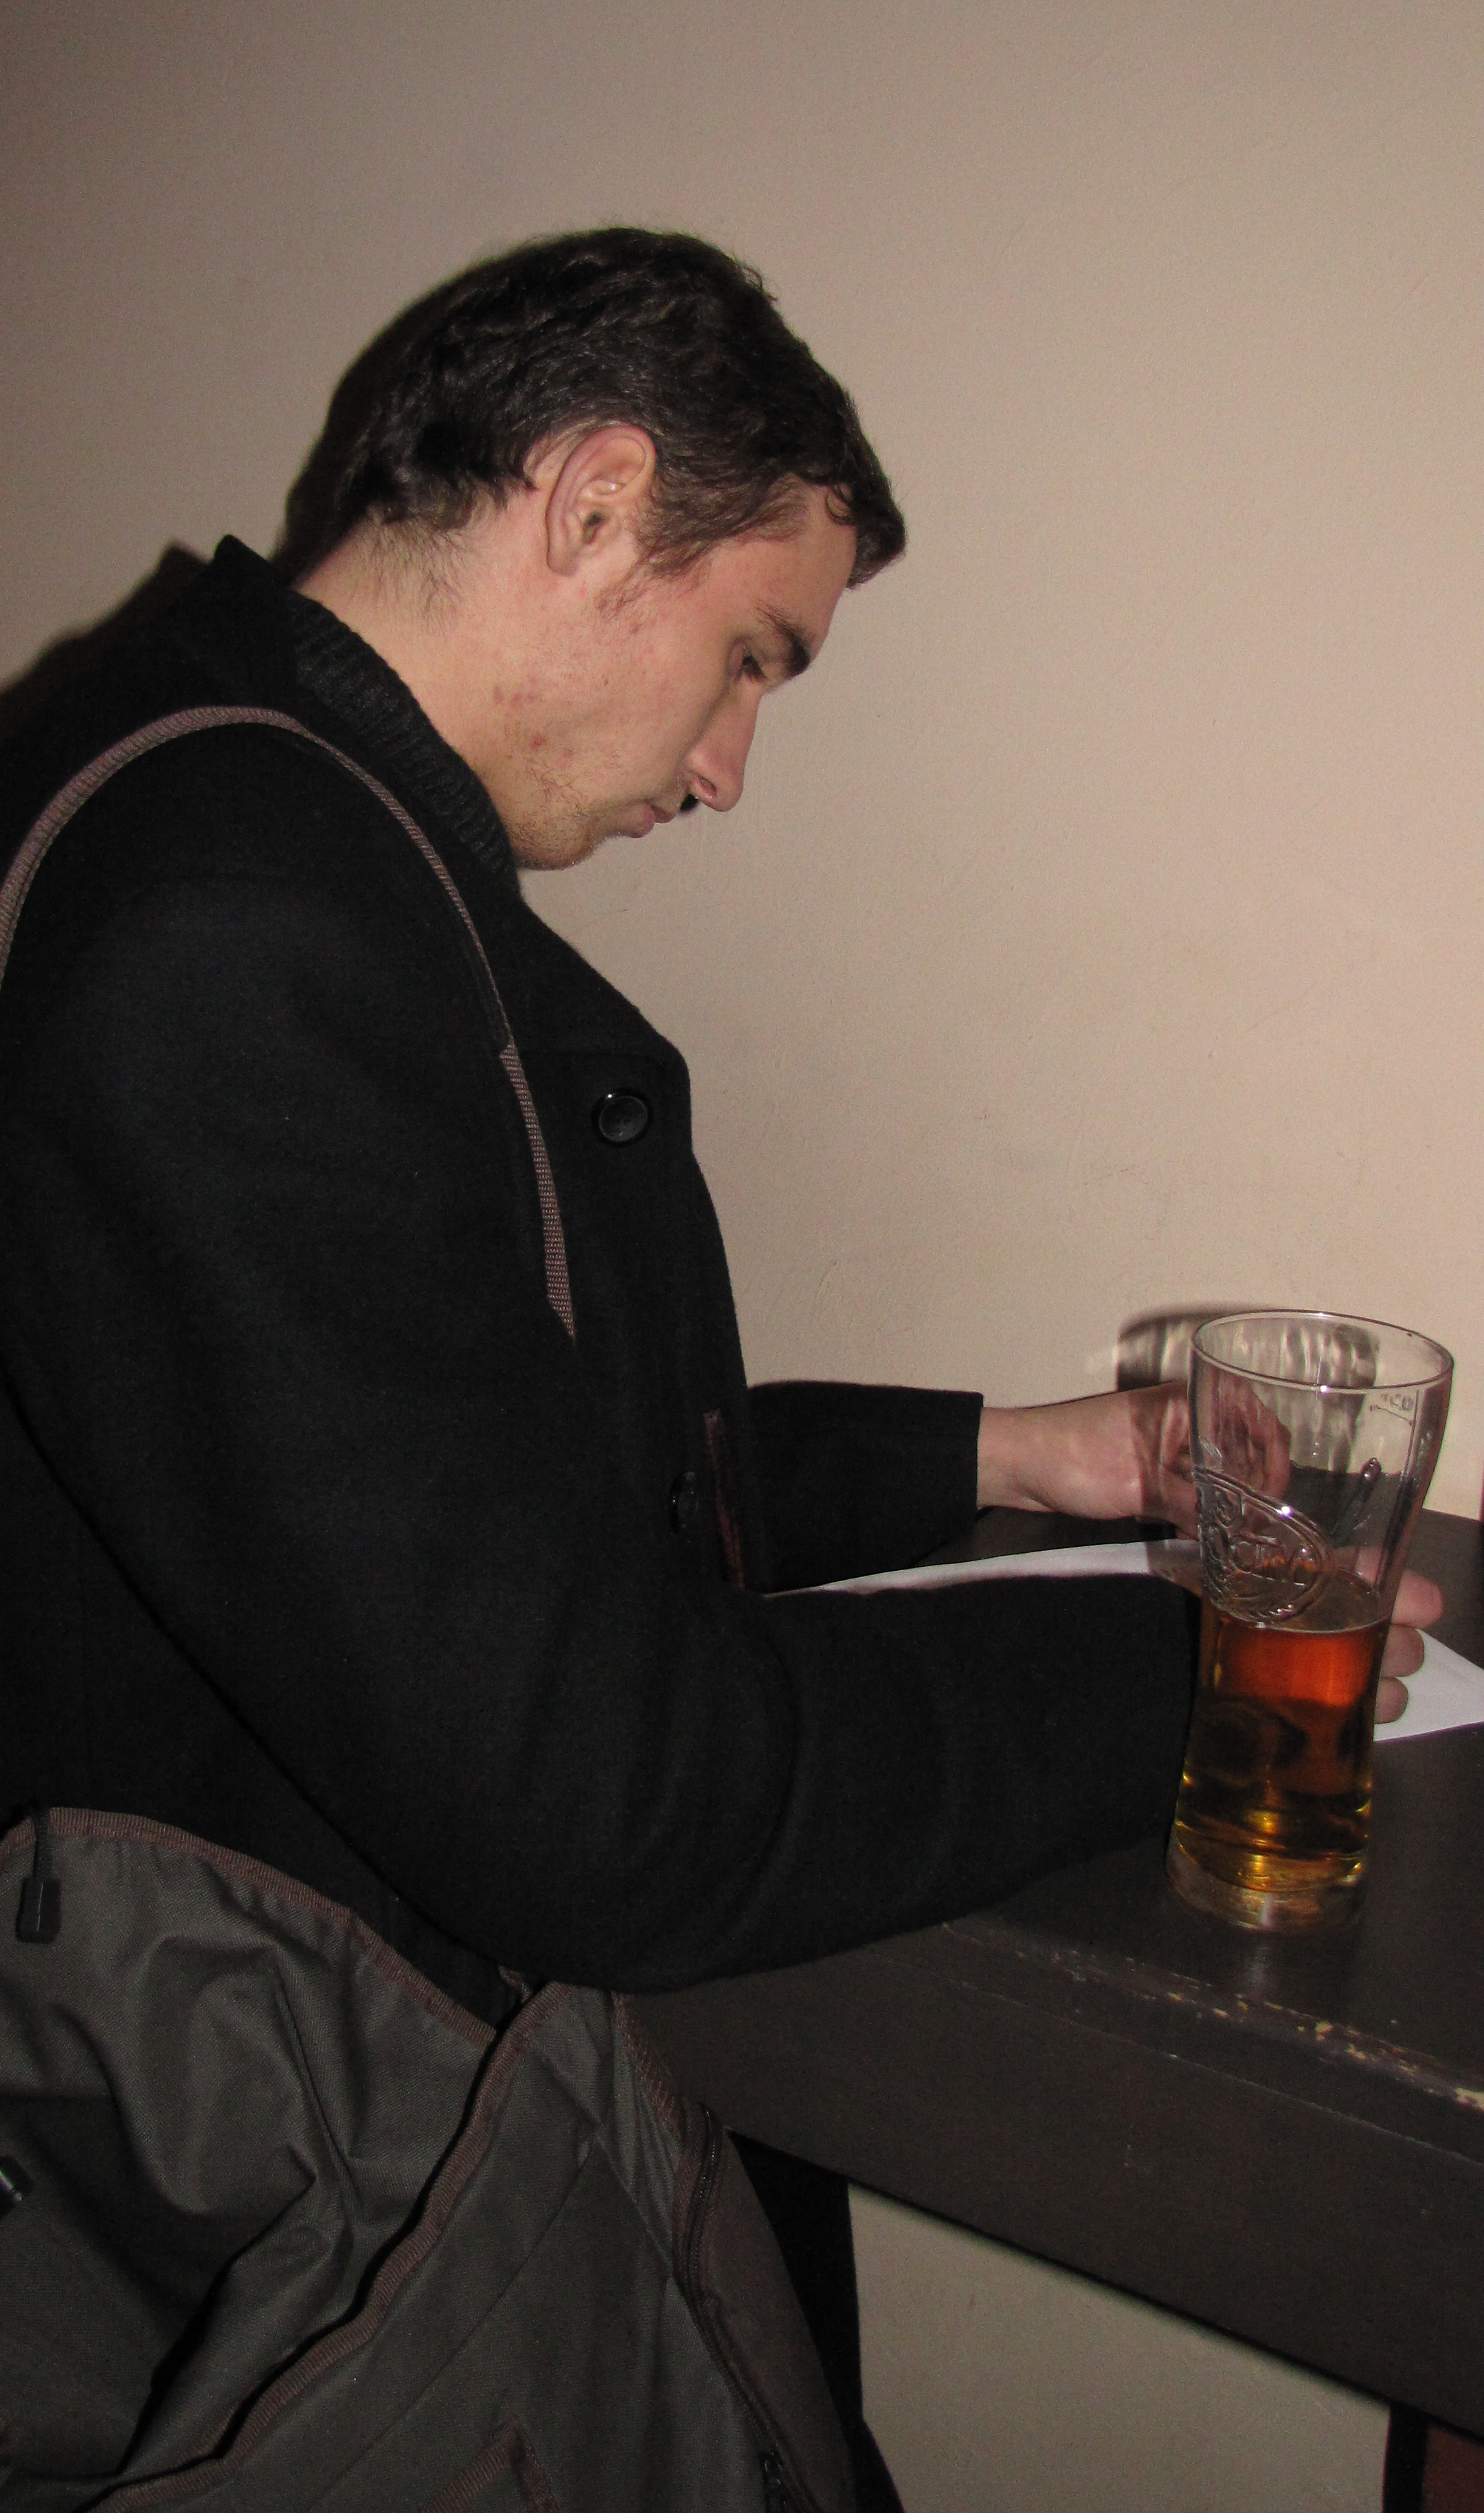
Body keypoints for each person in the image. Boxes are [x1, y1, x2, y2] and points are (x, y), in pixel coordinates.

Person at [0, 229, 1432, 2506]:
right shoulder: (238, 917)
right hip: (320, 2221)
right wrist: (1211, 1667)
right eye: (753, 654)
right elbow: (606, 1800)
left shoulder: (236, 807)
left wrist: (1021, 1456)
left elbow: (485, 1458)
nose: (737, 763)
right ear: (593, 504)